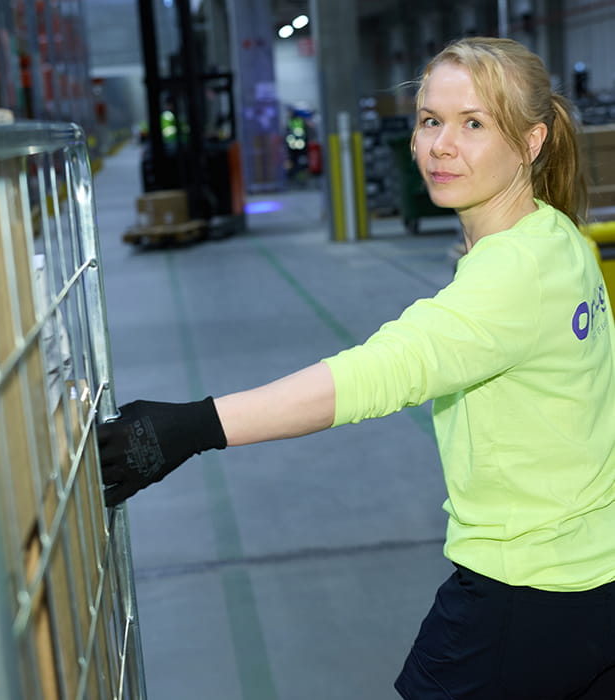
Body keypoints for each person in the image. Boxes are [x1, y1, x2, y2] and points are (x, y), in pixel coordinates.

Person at [98, 37, 615, 699]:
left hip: (525, 590)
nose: (441, 146)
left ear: (531, 141)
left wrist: (193, 426)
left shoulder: (510, 273)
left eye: (474, 124)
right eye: (430, 120)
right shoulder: (556, 234)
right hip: (593, 579)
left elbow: (377, 373)